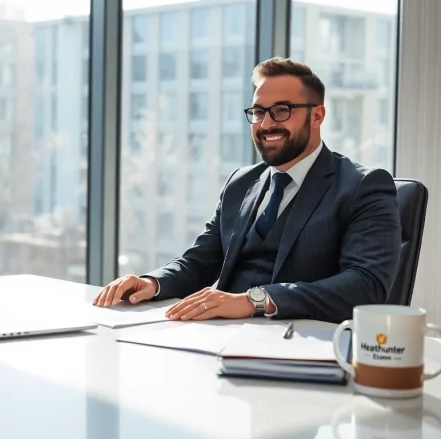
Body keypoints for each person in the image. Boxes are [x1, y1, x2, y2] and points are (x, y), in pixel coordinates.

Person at [93, 57, 402, 324]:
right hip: (220, 336)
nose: (265, 124)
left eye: (281, 110)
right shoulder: (240, 183)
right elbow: (200, 262)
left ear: (317, 115)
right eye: (258, 112)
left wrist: (255, 300)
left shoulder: (363, 186)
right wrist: (152, 282)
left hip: (301, 343)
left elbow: (366, 285)